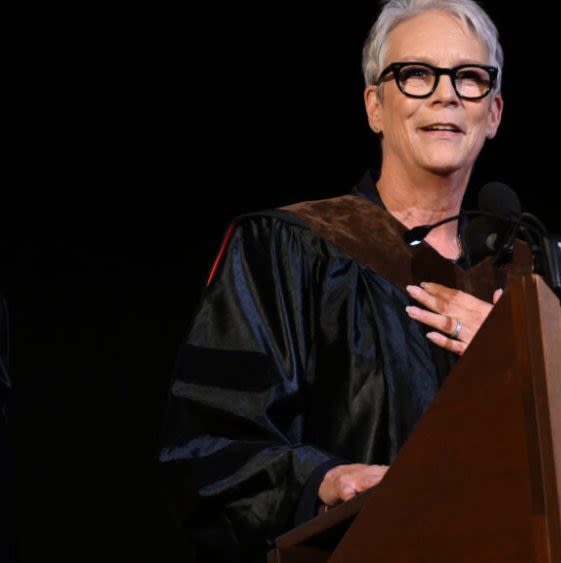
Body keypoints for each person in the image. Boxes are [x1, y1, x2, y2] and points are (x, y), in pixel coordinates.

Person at [157, 1, 520, 560]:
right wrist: (322, 480)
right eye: (417, 74)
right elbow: (207, 449)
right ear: (375, 105)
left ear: (493, 112)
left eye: (469, 78)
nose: (445, 94)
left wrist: (522, 354)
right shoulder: (291, 248)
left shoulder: (527, 281)